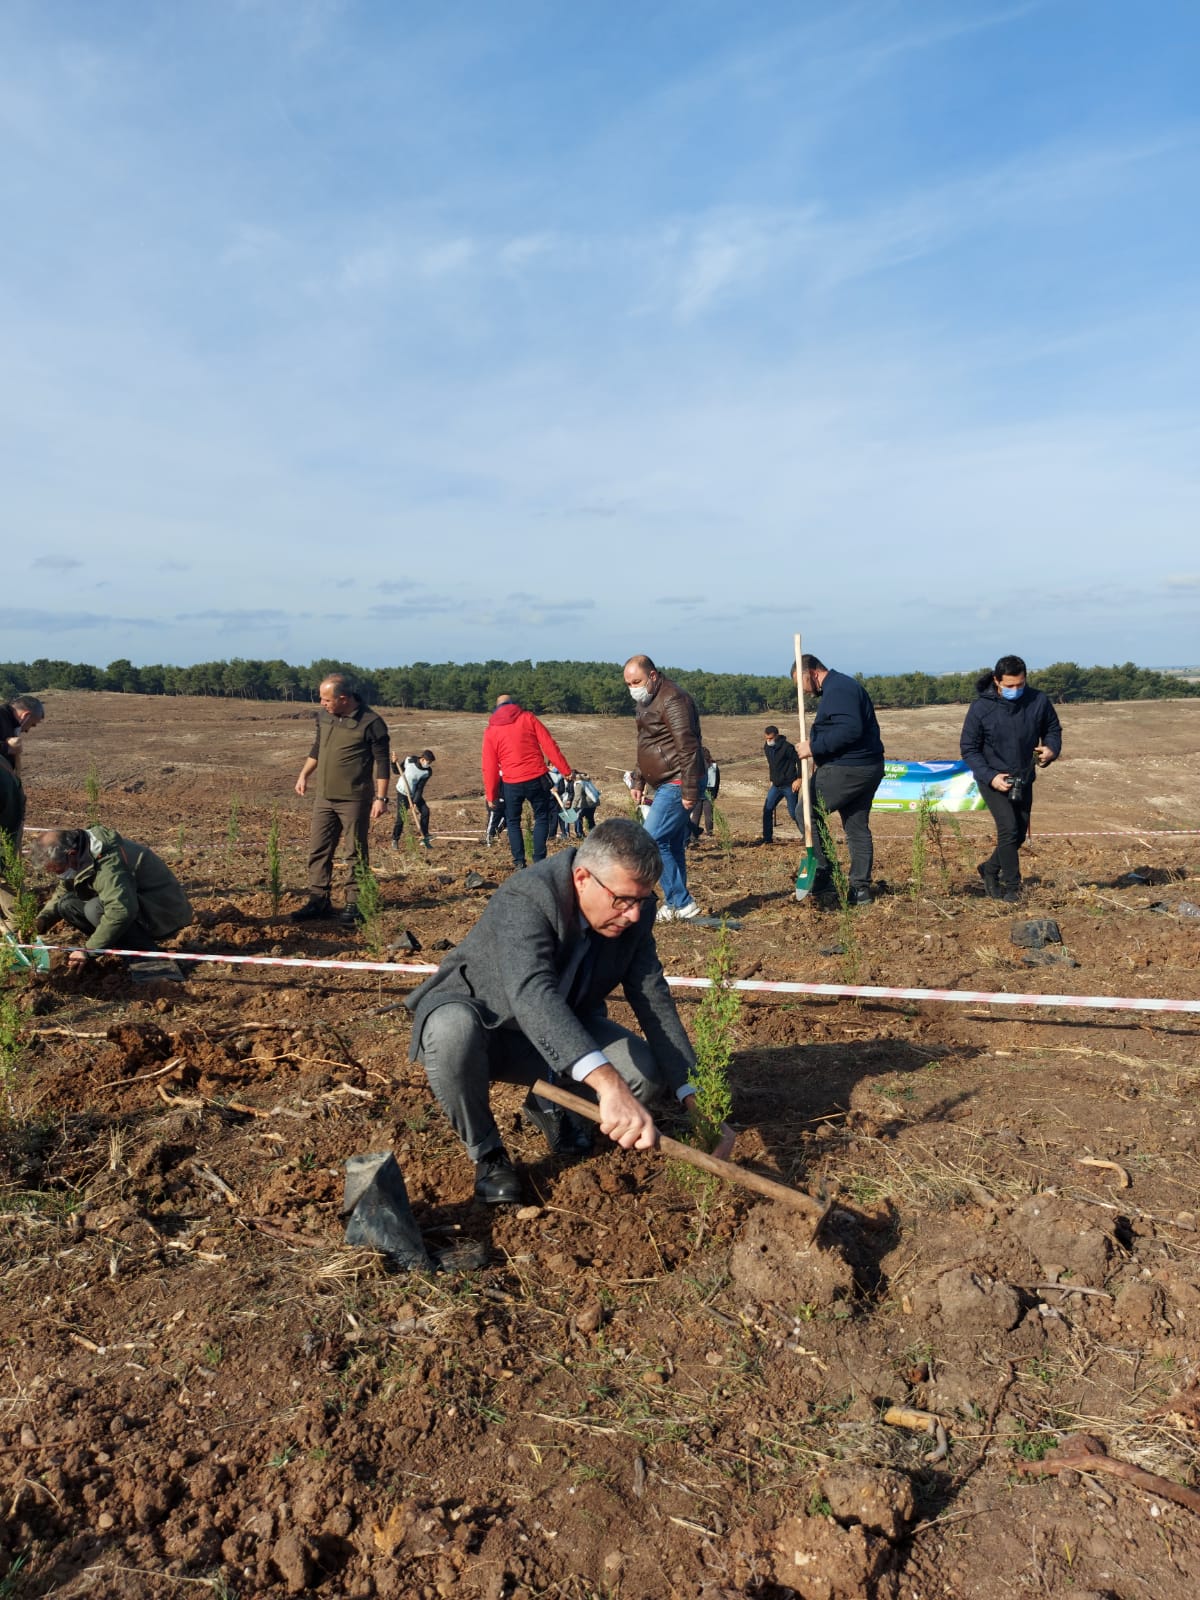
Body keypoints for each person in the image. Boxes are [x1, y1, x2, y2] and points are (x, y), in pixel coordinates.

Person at [407, 819, 729, 1203]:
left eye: (641, 901)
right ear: (581, 879)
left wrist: (697, 1098)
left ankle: (549, 1100)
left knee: (642, 1075)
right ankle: (488, 1153)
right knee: (451, 1030)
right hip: (487, 1026)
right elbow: (532, 994)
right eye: (622, 900)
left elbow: (652, 997)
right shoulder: (527, 897)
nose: (634, 915)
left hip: (561, 1028)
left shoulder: (635, 912)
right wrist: (607, 1085)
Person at [960, 655, 1062, 902]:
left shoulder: (1038, 700)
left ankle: (989, 868)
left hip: (1024, 777)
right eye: (1009, 686)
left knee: (1019, 835)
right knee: (1008, 829)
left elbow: (1052, 729)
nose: (1015, 690)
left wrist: (1051, 749)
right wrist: (991, 776)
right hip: (993, 779)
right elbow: (969, 748)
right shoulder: (981, 708)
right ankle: (1012, 887)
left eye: (1020, 685)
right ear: (997, 681)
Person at [292, 674, 390, 926]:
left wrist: (380, 798)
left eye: (326, 699)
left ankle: (355, 902)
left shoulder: (371, 723)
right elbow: (317, 748)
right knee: (318, 849)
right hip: (324, 798)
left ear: (343, 699)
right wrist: (304, 774)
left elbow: (382, 763)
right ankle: (318, 900)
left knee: (354, 851)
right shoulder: (324, 717)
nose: (322, 703)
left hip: (354, 799)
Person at [31, 826, 192, 973]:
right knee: (67, 904)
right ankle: (123, 945)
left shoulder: (108, 862)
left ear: (71, 855)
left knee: (95, 909)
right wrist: (43, 920)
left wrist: (89, 950)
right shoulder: (81, 852)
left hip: (163, 913)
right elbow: (64, 890)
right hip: (136, 903)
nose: (59, 875)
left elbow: (120, 911)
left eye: (59, 870)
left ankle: (149, 959)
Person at [792, 655, 885, 905]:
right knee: (856, 828)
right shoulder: (841, 687)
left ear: (810, 673)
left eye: (800, 684)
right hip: (867, 768)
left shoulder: (839, 689)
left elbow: (850, 729)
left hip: (849, 768)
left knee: (805, 811)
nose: (802, 692)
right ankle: (860, 889)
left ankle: (824, 871)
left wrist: (813, 746)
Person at [623, 655, 705, 920]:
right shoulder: (646, 701)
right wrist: (639, 778)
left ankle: (682, 903)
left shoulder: (673, 699)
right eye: (628, 683)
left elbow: (688, 746)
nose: (632, 688)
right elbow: (646, 742)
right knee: (670, 842)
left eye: (636, 681)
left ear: (653, 676)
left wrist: (690, 790)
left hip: (679, 780)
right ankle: (675, 902)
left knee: (651, 840)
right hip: (665, 781)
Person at [481, 694, 573, 870]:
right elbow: (549, 745)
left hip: (511, 782)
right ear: (514, 704)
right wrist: (565, 770)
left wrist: (491, 795)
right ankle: (539, 860)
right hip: (536, 778)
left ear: (496, 708)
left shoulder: (491, 731)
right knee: (541, 816)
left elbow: (489, 766)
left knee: (513, 820)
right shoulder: (528, 718)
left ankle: (519, 861)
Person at [761, 725, 802, 843]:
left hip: (789, 785)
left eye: (771, 738)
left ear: (777, 736)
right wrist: (773, 778)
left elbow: (799, 760)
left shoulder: (787, 747)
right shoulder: (767, 747)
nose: (768, 741)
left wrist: (799, 779)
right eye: (766, 738)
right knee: (767, 809)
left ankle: (809, 835)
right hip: (776, 785)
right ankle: (767, 838)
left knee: (794, 812)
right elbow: (773, 765)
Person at [392, 750, 435, 850]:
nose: (428, 764)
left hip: (414, 793)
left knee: (425, 811)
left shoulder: (427, 772)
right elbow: (397, 771)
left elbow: (420, 788)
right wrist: (394, 763)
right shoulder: (409, 760)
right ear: (422, 759)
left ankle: (424, 836)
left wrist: (415, 802)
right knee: (401, 818)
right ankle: (395, 839)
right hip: (402, 792)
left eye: (430, 763)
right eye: (428, 762)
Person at [0, 695, 44, 776]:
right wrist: (8, 748)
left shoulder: (11, 722)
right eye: (32, 724)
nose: (27, 730)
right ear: (26, 715)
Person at [689, 748, 719, 841]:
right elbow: (717, 781)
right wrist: (715, 794)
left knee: (696, 815)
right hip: (710, 793)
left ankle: (693, 836)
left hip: (698, 792)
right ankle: (709, 833)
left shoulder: (697, 766)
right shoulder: (714, 766)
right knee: (709, 814)